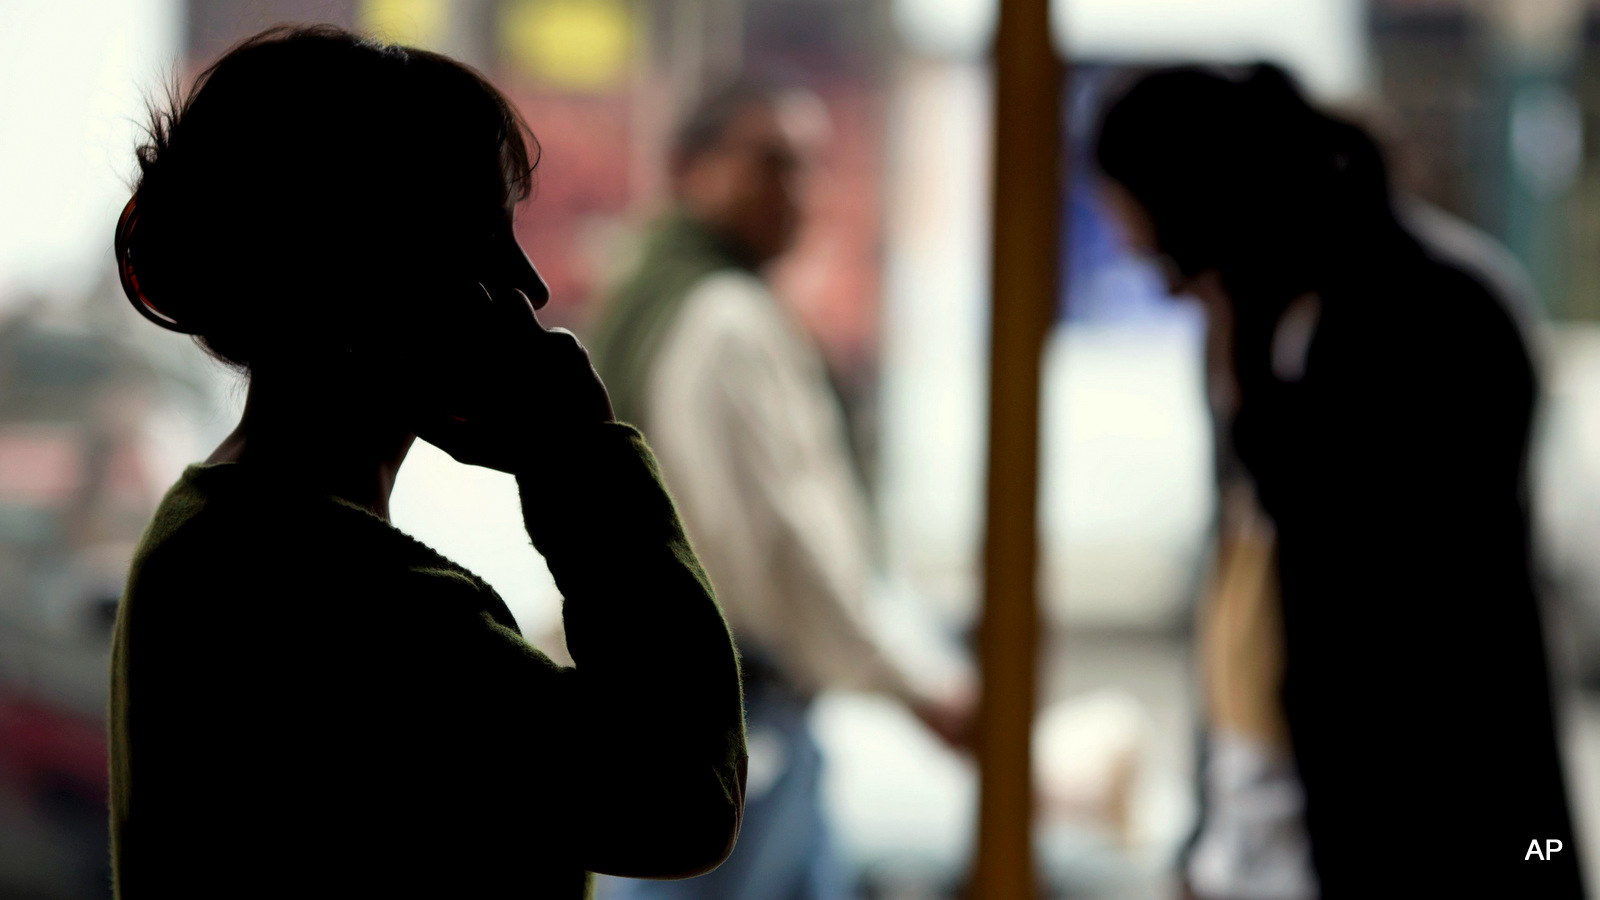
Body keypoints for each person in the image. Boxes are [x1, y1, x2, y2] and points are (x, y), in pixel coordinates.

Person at [109, 26, 746, 898]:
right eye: (484, 240)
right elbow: (682, 796)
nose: (527, 287)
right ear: (365, 273)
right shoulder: (335, 596)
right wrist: (580, 456)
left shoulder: (221, 538)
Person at [1095, 65, 1582, 898]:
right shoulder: (1244, 323)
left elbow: (1397, 591)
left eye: (1157, 242)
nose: (1150, 267)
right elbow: (1240, 599)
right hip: (1261, 835)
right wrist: (1205, 838)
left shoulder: (1440, 313)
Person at [589, 83, 971, 900]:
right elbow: (787, 544)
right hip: (734, 718)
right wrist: (914, 685)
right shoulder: (726, 318)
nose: (797, 193)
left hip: (691, 708)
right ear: (691, 169)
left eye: (807, 169)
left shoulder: (656, 295)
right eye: (771, 163)